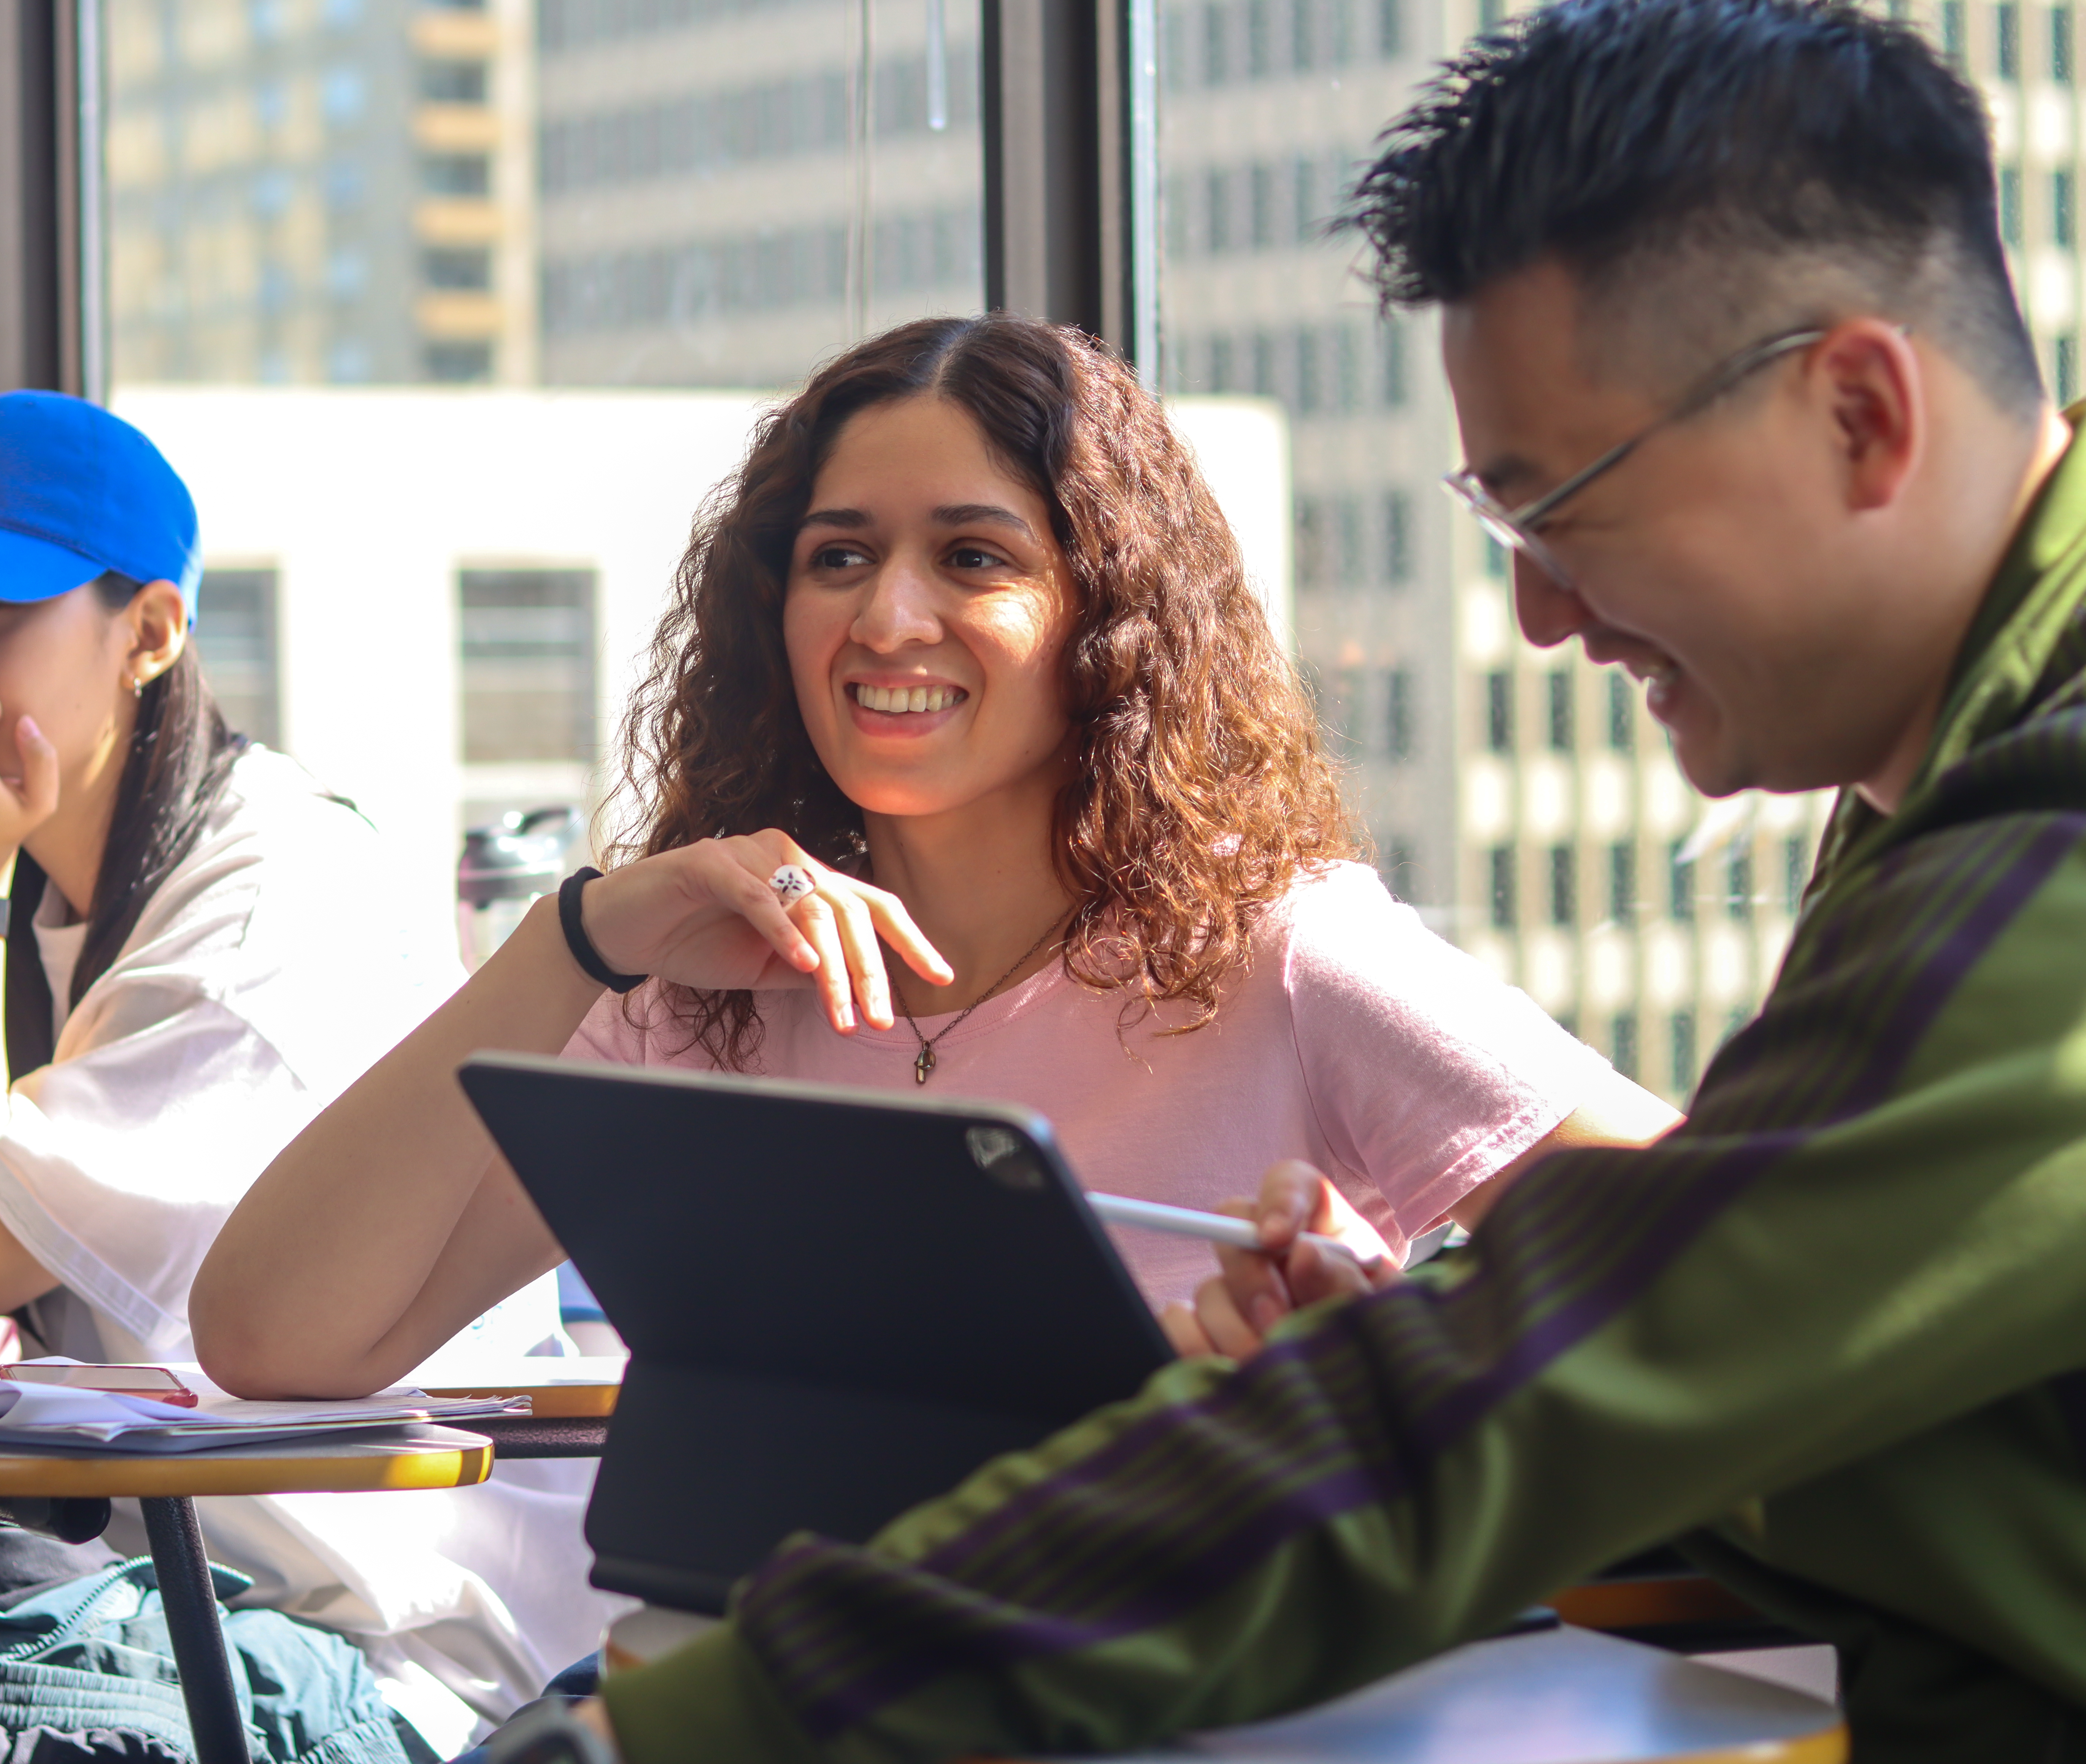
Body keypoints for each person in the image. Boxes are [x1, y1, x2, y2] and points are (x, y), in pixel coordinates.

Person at [460, 2, 2086, 1759]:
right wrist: (1410, 1357)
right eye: (1501, 520)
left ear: (1861, 412)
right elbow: (1834, 1405)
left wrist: (685, 1737)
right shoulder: (1943, 792)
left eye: (1573, 504)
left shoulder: (2041, 860)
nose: (1544, 613)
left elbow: (1610, 1358)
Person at [191, 310, 1671, 1404]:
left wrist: (1389, 1359)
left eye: (974, 556)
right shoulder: (703, 993)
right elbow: (273, 1341)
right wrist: (573, 937)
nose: (887, 616)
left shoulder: (1279, 948)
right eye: (840, 555)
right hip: (749, 1684)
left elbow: (1708, 1251)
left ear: (1109, 615)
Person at [0, 389, 614, 1754]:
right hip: (169, 1594)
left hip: (374, 1654)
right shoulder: (99, 883)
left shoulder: (258, 906)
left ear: (152, 633)